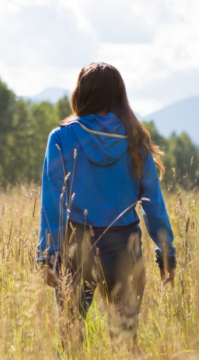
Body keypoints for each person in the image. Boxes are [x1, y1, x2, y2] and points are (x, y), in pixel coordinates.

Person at [36, 62, 176, 350]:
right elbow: (153, 203)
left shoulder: (61, 137)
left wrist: (48, 255)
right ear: (118, 96)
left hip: (76, 246)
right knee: (125, 343)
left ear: (81, 94)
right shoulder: (135, 138)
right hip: (126, 247)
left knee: (71, 340)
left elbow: (52, 202)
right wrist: (167, 253)